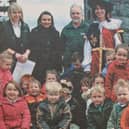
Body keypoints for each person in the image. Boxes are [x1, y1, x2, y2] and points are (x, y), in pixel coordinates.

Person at [82, 0, 123, 75]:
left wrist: (118, 61)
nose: (99, 11)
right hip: (95, 62)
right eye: (97, 9)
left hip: (110, 61)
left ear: (106, 10)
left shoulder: (113, 25)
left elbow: (119, 45)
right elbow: (87, 48)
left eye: (101, 8)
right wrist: (87, 66)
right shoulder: (92, 27)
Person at [29, 11, 61, 83]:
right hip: (37, 67)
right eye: (44, 20)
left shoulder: (56, 33)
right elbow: (31, 49)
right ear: (40, 20)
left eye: (49, 20)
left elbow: (58, 51)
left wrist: (58, 68)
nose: (46, 22)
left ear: (51, 21)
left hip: (51, 66)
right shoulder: (34, 32)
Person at [0, 3, 30, 71]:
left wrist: (26, 54)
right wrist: (15, 54)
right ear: (9, 14)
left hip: (23, 61)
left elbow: (29, 44)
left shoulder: (25, 26)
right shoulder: (3, 26)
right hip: (8, 62)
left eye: (19, 12)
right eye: (14, 13)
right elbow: (2, 45)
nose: (17, 15)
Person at [61, 4, 88, 69]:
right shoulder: (65, 29)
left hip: (84, 63)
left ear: (82, 14)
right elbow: (61, 47)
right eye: (73, 13)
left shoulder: (88, 28)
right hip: (68, 64)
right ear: (70, 15)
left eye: (77, 13)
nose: (75, 15)